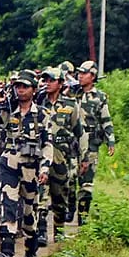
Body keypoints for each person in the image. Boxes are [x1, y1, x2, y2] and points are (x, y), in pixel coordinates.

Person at [0, 70, 53, 257]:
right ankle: (6, 253)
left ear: (34, 89)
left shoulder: (42, 115)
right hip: (9, 164)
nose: (21, 90)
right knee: (8, 205)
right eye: (18, 86)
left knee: (29, 212)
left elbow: (47, 144)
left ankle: (30, 253)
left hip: (31, 168)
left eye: (25, 86)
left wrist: (45, 167)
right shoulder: (8, 110)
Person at [37, 66, 87, 243]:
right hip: (42, 157)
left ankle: (58, 231)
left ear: (60, 83)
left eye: (52, 80)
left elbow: (80, 133)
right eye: (45, 80)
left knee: (59, 198)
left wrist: (83, 158)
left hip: (62, 158)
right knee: (41, 196)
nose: (48, 83)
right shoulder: (38, 103)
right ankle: (41, 231)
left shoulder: (70, 106)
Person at [74, 60, 115, 223]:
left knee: (86, 184)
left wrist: (111, 141)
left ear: (92, 76)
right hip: (70, 144)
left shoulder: (99, 97)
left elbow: (106, 120)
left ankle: (82, 220)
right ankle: (66, 211)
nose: (80, 76)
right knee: (68, 181)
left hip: (90, 144)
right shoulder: (72, 93)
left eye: (84, 73)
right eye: (79, 73)